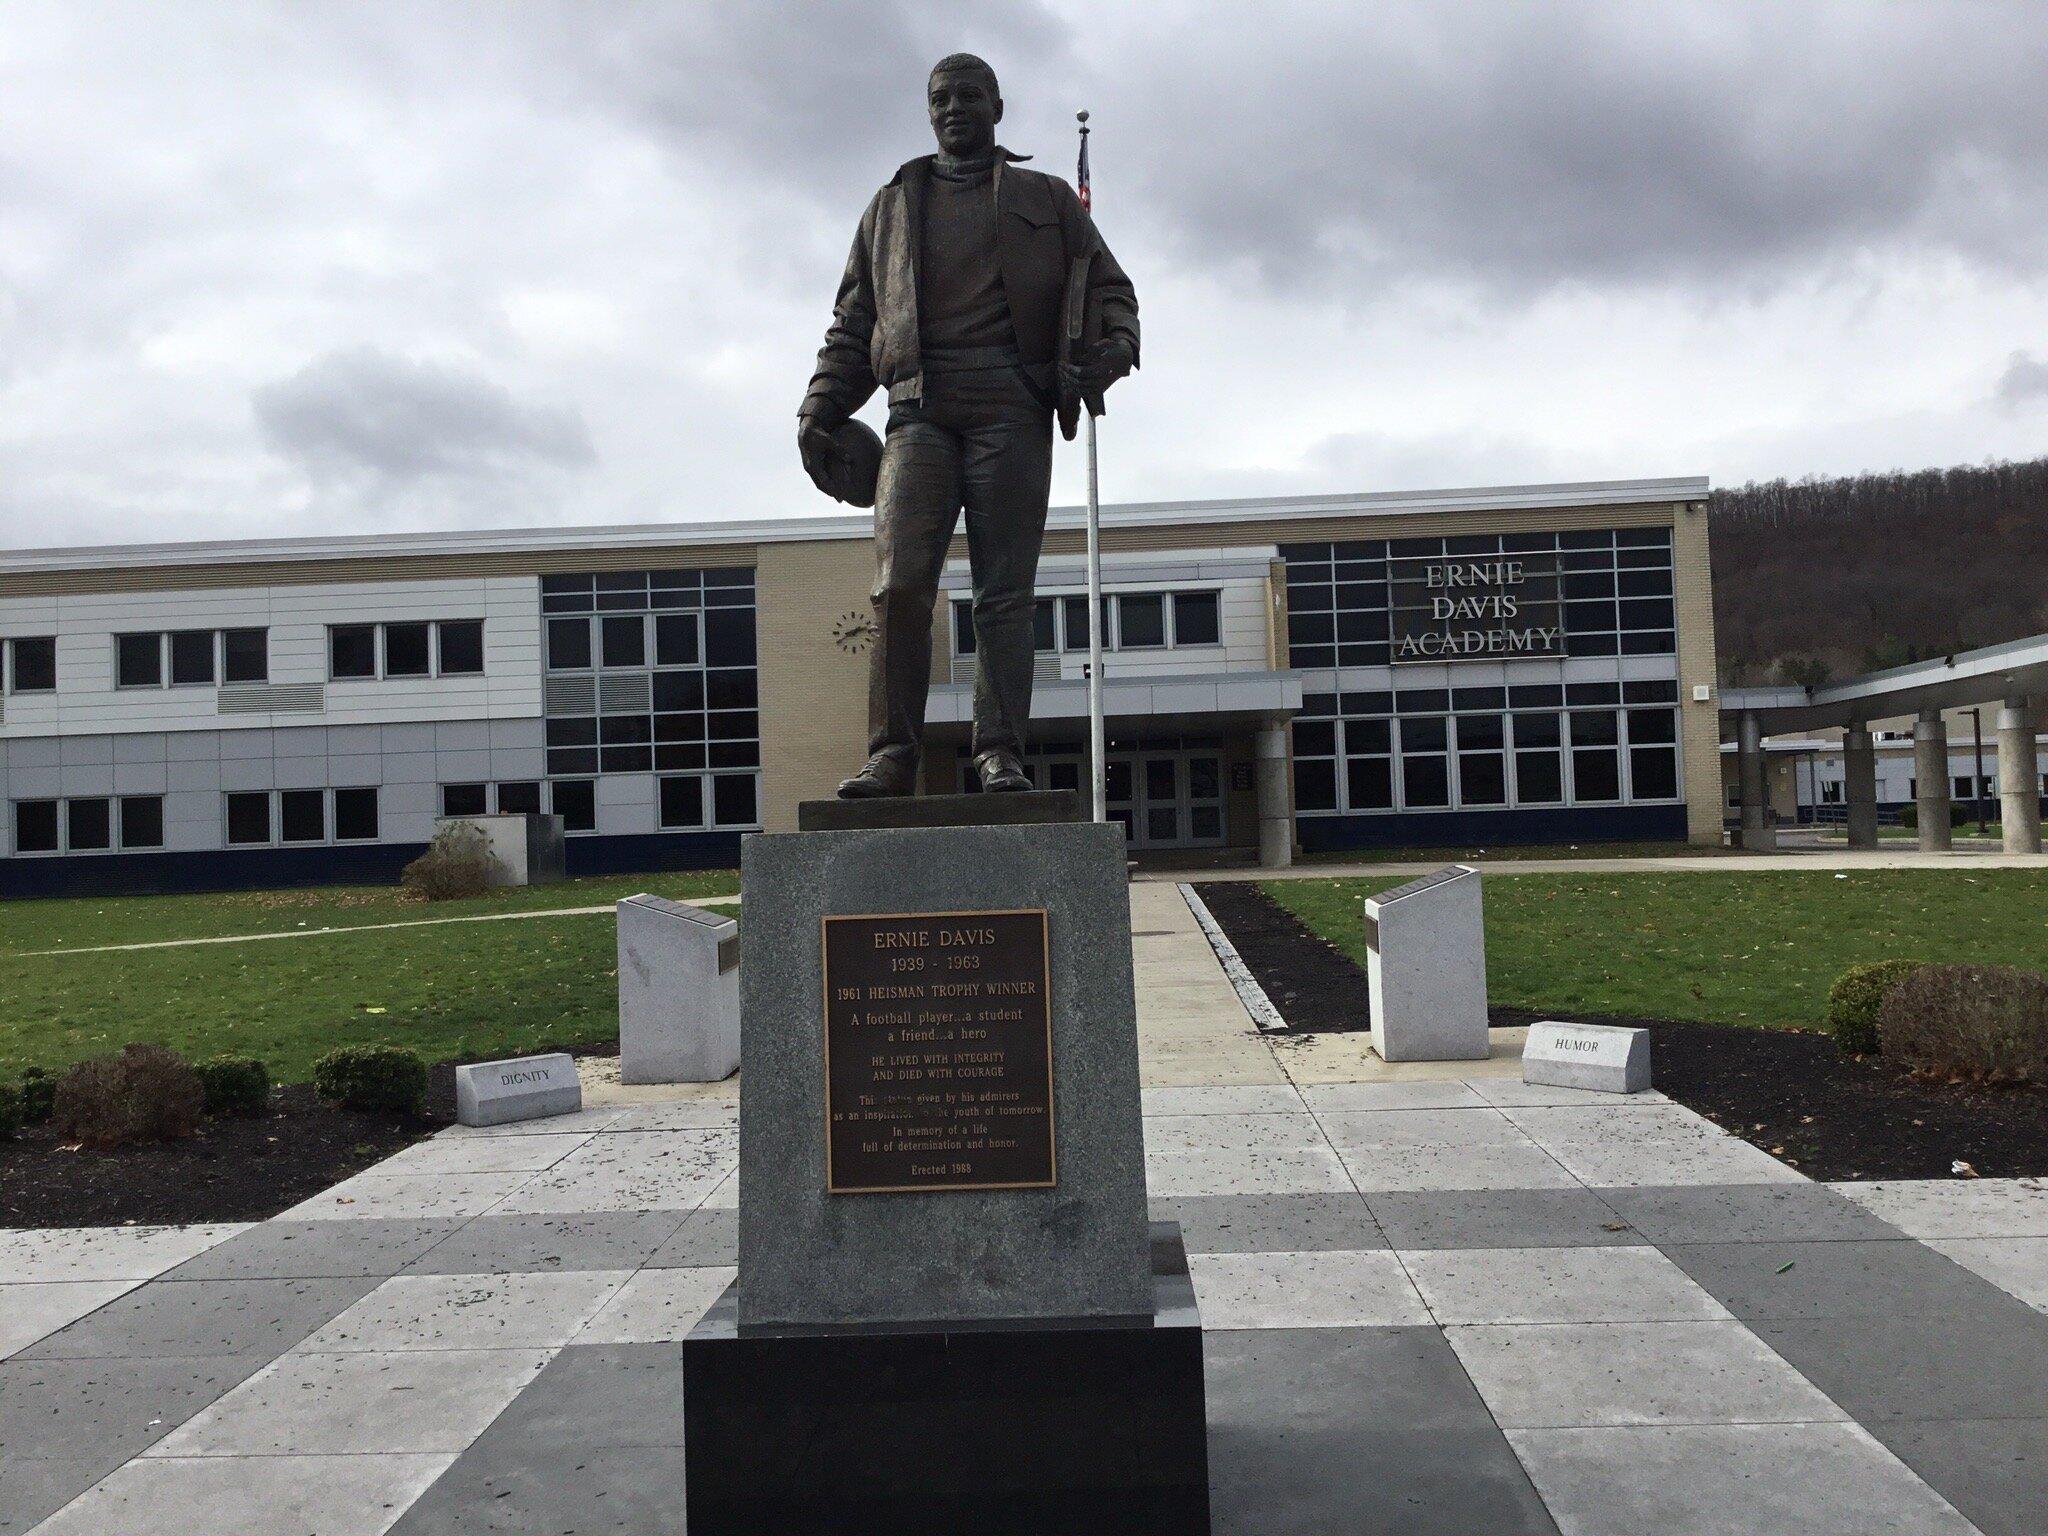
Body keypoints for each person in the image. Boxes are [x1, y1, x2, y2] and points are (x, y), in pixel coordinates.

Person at [799, 53, 1139, 797]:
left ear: (998, 107)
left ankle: (999, 753)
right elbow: (854, 324)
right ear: (928, 112)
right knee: (900, 589)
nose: (954, 108)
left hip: (1010, 410)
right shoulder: (891, 207)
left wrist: (1112, 351)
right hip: (918, 410)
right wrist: (820, 404)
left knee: (1003, 594)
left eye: (969, 96)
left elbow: (1111, 290)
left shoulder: (1046, 199)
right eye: (941, 98)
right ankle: (892, 755)